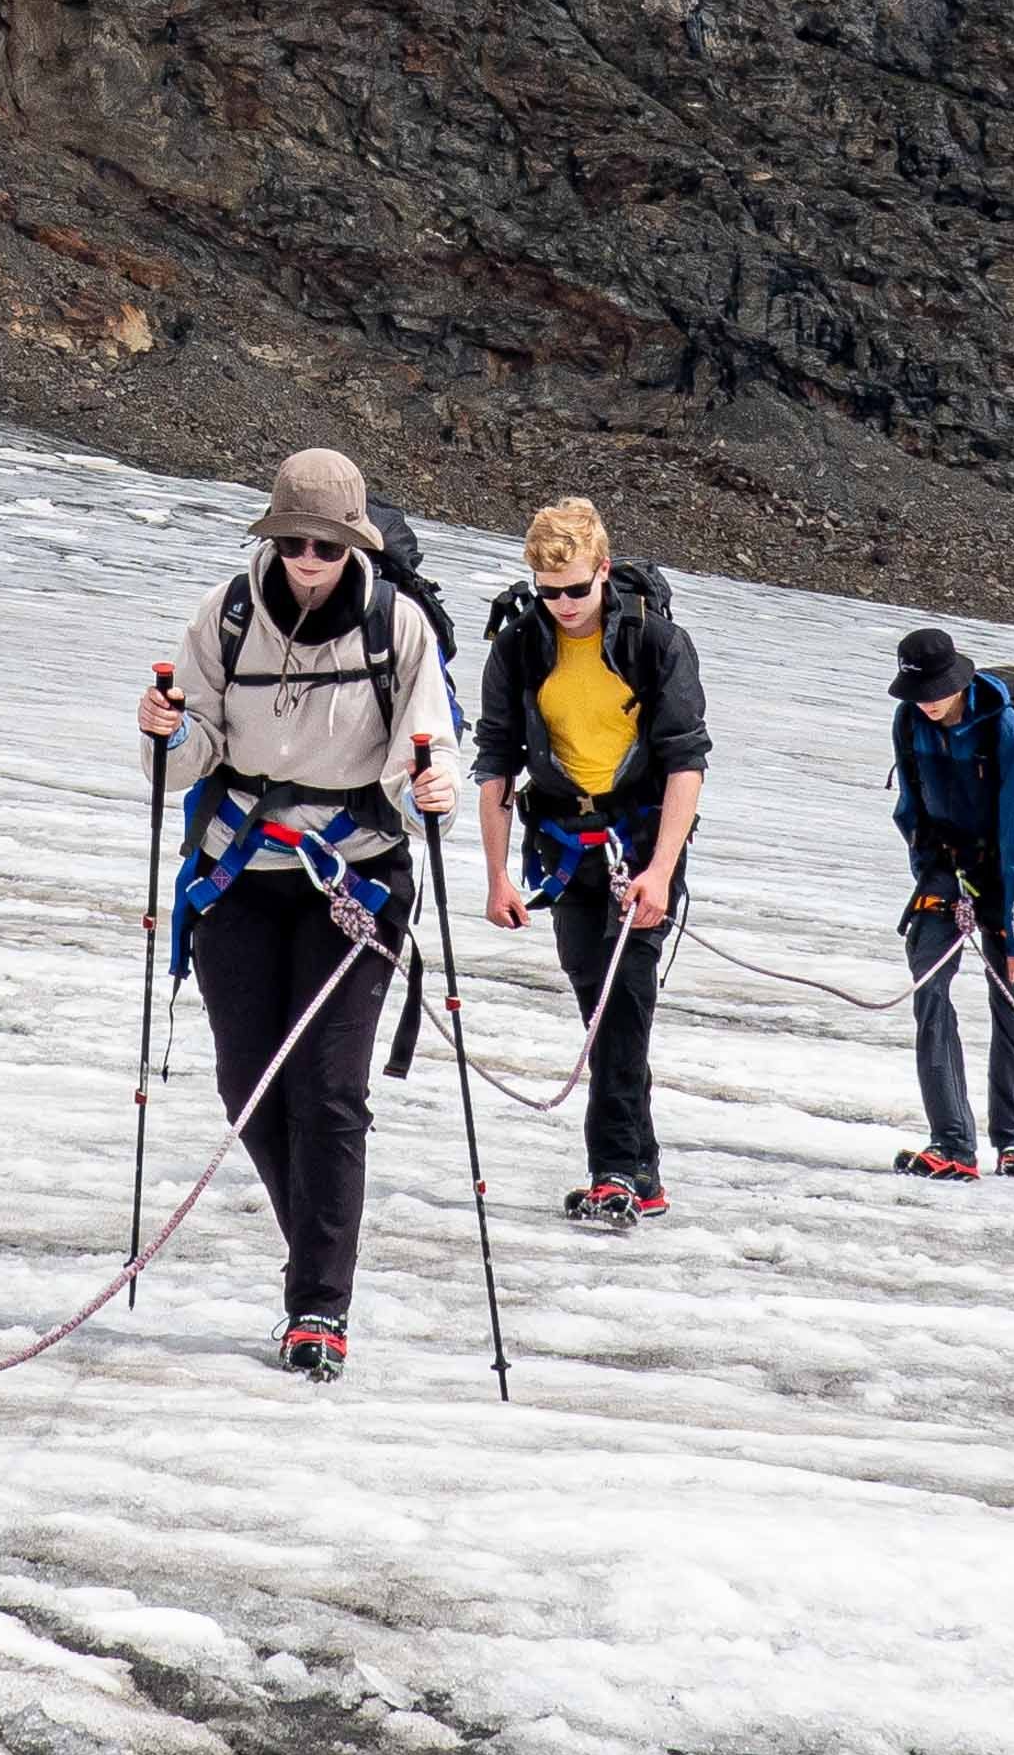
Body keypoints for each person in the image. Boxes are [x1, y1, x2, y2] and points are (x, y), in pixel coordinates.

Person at [135, 447, 452, 1377]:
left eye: (325, 545)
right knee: (248, 1085)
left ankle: (320, 1304)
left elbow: (419, 748)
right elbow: (187, 752)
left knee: (330, 1091)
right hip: (239, 871)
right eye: (293, 542)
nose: (308, 559)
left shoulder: (400, 629)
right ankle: (315, 1244)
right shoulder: (224, 616)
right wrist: (164, 732)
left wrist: (428, 787)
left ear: (355, 544)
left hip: (353, 882)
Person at [470, 498, 714, 1229]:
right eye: (549, 592)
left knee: (623, 1002)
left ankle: (613, 1173)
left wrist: (662, 871)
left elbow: (685, 762)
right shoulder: (518, 645)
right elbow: (495, 762)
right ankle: (643, 1171)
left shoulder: (656, 643)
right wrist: (496, 876)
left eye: (576, 589)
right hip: (563, 852)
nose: (564, 605)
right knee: (599, 1008)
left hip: (637, 850)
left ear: (603, 571)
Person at [881, 628, 1014, 1178]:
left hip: (1006, 878)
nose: (928, 701)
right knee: (929, 990)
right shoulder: (910, 720)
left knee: (1012, 1002)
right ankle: (953, 1143)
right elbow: (912, 810)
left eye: (937, 689)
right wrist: (933, 875)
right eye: (919, 691)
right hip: (944, 870)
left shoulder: (1002, 726)